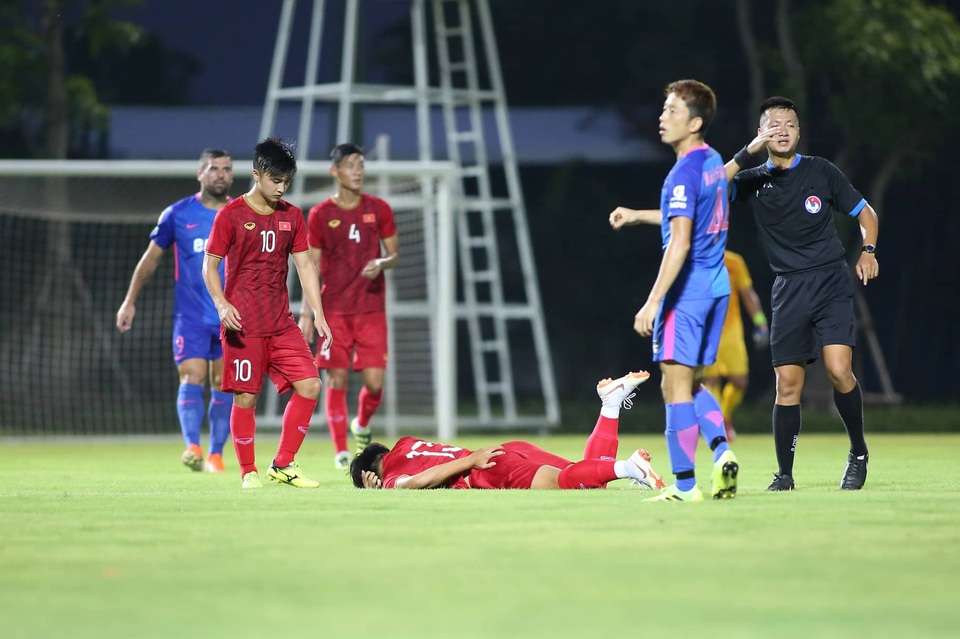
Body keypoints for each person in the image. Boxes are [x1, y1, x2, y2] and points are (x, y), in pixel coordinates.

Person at [724, 96, 879, 491]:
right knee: (787, 385)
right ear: (762, 131)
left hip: (830, 280)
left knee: (838, 370)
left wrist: (868, 251)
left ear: (798, 131)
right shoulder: (752, 178)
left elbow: (866, 214)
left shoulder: (821, 171)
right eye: (773, 124)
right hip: (788, 287)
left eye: (790, 124)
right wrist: (748, 152)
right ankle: (785, 475)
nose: (782, 130)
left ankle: (858, 453)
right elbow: (709, 187)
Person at [608, 79, 739, 503]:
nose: (663, 118)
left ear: (695, 122)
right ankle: (722, 453)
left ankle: (685, 486)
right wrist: (636, 215)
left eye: (673, 111)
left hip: (687, 293)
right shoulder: (711, 160)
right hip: (718, 286)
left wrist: (652, 301)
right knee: (695, 383)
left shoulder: (681, 172)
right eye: (664, 109)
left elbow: (680, 241)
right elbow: (685, 214)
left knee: (673, 389)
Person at [202, 137, 333, 490]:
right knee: (247, 397)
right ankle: (248, 472)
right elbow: (209, 266)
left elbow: (305, 266)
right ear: (257, 174)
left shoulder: (292, 216)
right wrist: (221, 303)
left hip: (280, 324)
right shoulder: (231, 216)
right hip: (243, 325)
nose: (281, 188)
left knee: (309, 385)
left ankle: (283, 465)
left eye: (286, 181)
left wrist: (318, 313)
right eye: (276, 180)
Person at [116, 148, 235, 473]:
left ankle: (216, 454)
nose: (221, 174)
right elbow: (150, 260)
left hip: (231, 317)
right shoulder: (178, 214)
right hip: (191, 318)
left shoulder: (241, 214)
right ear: (200, 174)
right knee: (192, 376)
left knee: (223, 383)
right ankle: (193, 446)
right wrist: (130, 301)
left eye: (226, 169)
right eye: (214, 168)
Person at [351, 371, 666, 491]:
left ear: (372, 471)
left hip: (486, 467)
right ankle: (610, 406)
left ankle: (630, 467)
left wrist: (380, 489)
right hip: (509, 448)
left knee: (568, 482)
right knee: (584, 477)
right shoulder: (406, 443)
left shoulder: (392, 475)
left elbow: (416, 482)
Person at [300, 143, 399, 470]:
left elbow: (394, 254)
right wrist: (308, 313)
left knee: (374, 383)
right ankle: (341, 451)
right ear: (335, 171)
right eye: (350, 165)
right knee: (337, 379)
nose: (357, 170)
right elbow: (309, 266)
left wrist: (381, 263)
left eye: (360, 164)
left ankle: (362, 423)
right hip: (335, 313)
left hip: (371, 310)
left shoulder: (379, 208)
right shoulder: (320, 214)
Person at [702, 250, 769, 442]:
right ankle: (716, 426)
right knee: (711, 381)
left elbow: (747, 292)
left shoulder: (734, 261)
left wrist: (760, 322)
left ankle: (724, 416)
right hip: (706, 331)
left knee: (740, 381)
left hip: (732, 330)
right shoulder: (697, 258)